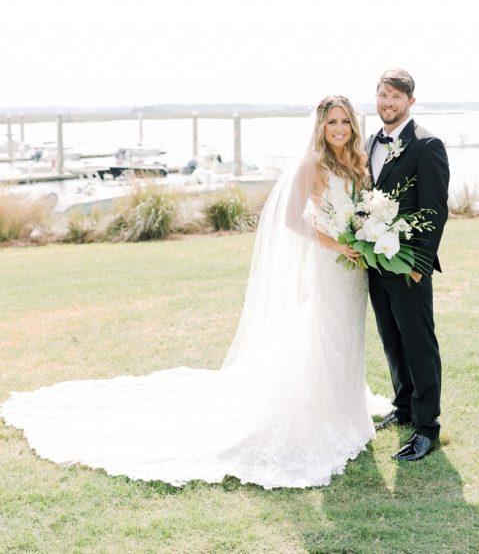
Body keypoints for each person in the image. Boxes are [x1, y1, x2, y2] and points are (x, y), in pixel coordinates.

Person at [0, 95, 388, 489]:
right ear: (320, 126)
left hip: (354, 269)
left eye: (344, 122)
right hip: (328, 263)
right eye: (331, 122)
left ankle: (345, 409)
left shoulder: (355, 161)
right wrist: (337, 244)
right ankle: (318, 414)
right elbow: (291, 219)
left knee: (347, 332)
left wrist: (364, 237)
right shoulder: (313, 164)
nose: (339, 129)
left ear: (353, 125)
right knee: (323, 332)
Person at [365, 68, 450, 462]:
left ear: (410, 102)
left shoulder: (427, 145)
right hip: (375, 264)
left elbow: (435, 211)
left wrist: (419, 263)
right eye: (383, 95)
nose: (388, 103)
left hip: (408, 264)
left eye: (396, 97)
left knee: (418, 343)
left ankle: (427, 426)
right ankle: (402, 408)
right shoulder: (370, 142)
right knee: (391, 340)